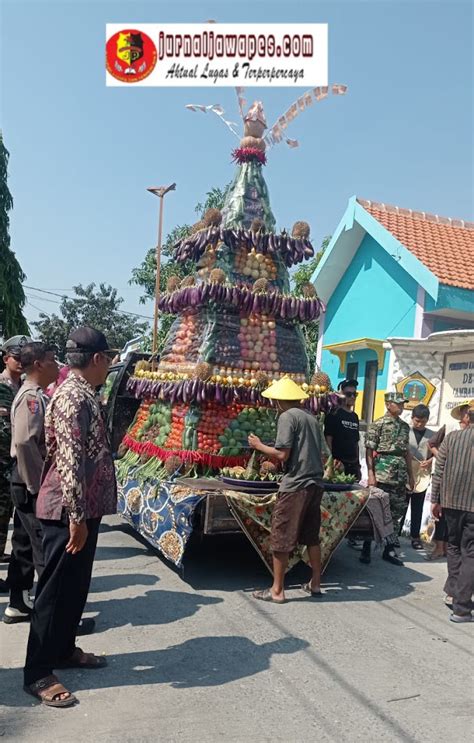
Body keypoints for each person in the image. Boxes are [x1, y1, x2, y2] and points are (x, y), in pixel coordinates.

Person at [23, 327, 118, 708]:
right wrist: (77, 515)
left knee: (75, 587)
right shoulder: (70, 397)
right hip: (66, 511)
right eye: (108, 359)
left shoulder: (85, 394)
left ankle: (63, 649)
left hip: (82, 509)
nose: (110, 366)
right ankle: (37, 673)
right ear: (96, 359)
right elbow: (68, 460)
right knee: (53, 591)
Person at [247, 376, 324, 604]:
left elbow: (282, 454)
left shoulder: (286, 417)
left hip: (296, 485)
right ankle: (316, 584)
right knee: (312, 537)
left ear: (279, 401)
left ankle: (277, 591)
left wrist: (258, 445)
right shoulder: (311, 418)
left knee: (281, 535)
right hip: (315, 483)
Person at [3, 342, 58, 623]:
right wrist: (38, 485)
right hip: (29, 480)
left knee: (24, 542)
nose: (57, 364)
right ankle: (51, 619)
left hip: (22, 478)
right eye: (52, 359)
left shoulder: (34, 394)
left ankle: (18, 603)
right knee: (43, 548)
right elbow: (25, 442)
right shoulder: (31, 398)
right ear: (38, 364)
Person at [430, 400, 474, 623]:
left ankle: (454, 594)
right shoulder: (451, 437)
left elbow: (438, 471)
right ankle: (462, 608)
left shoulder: (452, 439)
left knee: (455, 548)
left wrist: (435, 500)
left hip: (451, 504)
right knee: (470, 553)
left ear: (467, 417)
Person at [364, 391, 415, 566]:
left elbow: (406, 452)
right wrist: (371, 474)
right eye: (398, 403)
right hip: (382, 471)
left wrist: (411, 474)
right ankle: (366, 545)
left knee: (396, 511)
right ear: (388, 404)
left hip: (399, 474)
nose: (401, 406)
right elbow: (369, 450)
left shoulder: (405, 426)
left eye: (402, 404)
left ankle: (389, 548)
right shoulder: (377, 424)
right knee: (375, 510)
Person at [0, 336, 33, 578]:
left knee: (6, 514)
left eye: (24, 358)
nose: (20, 362)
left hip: (13, 464)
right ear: (5, 358)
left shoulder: (24, 386)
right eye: (16, 357)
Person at [405, 404, 434, 550]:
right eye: (417, 420)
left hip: (422, 475)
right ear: (412, 419)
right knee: (402, 505)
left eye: (422, 421)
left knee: (417, 507)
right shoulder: (405, 432)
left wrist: (429, 461)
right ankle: (395, 535)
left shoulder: (433, 435)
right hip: (405, 473)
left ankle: (415, 537)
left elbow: (438, 454)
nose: (419, 424)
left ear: (427, 420)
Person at [324, 378, 361, 479]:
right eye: (349, 394)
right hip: (338, 465)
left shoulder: (355, 416)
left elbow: (356, 442)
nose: (352, 397)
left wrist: (358, 465)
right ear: (341, 394)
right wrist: (330, 462)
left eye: (355, 394)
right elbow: (328, 440)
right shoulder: (333, 414)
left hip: (353, 466)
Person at [427, 425, 449, 559]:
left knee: (451, 514)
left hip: (460, 478)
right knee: (440, 513)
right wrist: (442, 457)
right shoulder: (449, 427)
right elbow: (431, 443)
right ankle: (439, 547)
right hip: (443, 474)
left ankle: (446, 547)